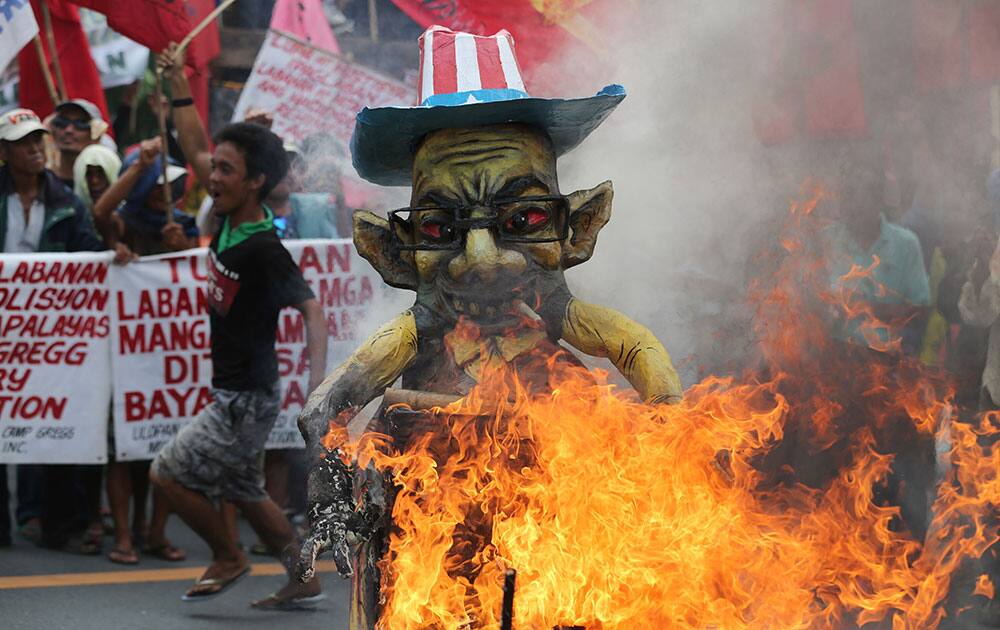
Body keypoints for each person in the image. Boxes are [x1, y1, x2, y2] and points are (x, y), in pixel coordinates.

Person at [292, 26, 682, 627]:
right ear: (394, 251)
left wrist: (666, 437)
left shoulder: (557, 314)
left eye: (522, 218)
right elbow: (326, 410)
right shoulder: (416, 333)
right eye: (439, 229)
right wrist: (331, 505)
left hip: (558, 525)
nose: (482, 259)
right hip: (431, 528)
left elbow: (639, 352)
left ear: (575, 228)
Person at [151, 43, 328, 609]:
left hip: (244, 400)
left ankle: (228, 555)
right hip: (238, 390)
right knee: (245, 488)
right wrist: (179, 83)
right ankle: (303, 574)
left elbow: (313, 310)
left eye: (226, 171)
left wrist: (319, 386)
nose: (212, 176)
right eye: (215, 168)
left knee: (165, 474)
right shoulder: (228, 213)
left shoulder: (263, 249)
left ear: (253, 183)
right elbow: (198, 146)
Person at [0, 108, 109, 553]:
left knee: (53, 421)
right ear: (4, 152)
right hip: (6, 331)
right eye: (23, 142)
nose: (34, 148)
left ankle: (56, 525)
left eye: (36, 139)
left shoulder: (66, 199)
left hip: (49, 335)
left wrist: (110, 257)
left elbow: (89, 252)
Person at [92, 137, 198, 255]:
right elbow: (100, 213)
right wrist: (140, 166)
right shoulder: (123, 223)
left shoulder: (184, 225)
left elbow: (197, 267)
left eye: (170, 183)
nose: (165, 191)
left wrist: (183, 248)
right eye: (157, 185)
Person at [49, 99, 106, 187]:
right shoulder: (41, 182)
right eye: (62, 122)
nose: (69, 130)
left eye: (80, 124)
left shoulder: (104, 185)